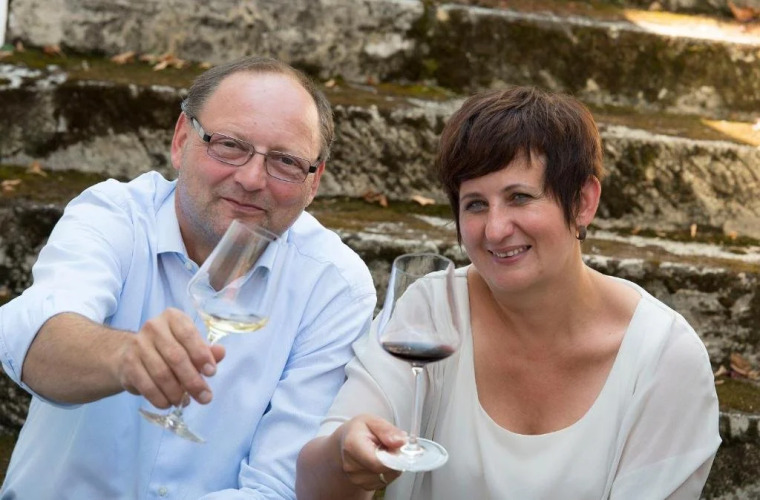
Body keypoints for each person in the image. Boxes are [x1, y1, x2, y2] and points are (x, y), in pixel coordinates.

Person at [296, 86, 721, 499]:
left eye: (519, 197)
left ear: (583, 202)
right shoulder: (433, 310)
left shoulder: (664, 357)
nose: (495, 230)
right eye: (476, 204)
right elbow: (316, 487)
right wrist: (343, 454)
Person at [0, 56, 377, 499]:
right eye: (230, 145)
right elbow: (34, 343)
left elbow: (279, 486)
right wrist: (125, 357)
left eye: (286, 161)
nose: (252, 178)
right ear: (182, 140)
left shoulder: (335, 286)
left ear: (314, 182)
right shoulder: (115, 215)